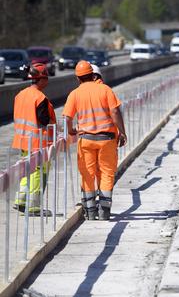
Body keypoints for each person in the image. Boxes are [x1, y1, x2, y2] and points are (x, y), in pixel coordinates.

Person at [63, 61, 127, 220]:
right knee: (106, 173)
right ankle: (104, 211)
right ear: (92, 75)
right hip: (107, 139)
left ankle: (90, 212)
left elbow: (66, 117)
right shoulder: (105, 90)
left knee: (87, 174)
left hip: (86, 140)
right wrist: (122, 132)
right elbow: (115, 112)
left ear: (78, 78)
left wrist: (71, 130)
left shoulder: (75, 94)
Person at [12, 63, 56, 215]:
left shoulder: (20, 95)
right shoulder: (40, 98)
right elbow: (44, 121)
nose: (48, 81)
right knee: (37, 173)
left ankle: (21, 201)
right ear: (41, 79)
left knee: (26, 169)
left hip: (22, 140)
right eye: (46, 78)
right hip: (38, 142)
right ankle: (34, 207)